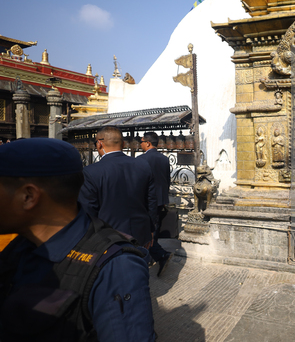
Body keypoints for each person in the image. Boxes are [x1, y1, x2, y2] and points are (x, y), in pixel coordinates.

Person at [0, 138, 155, 341]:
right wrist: (152, 229)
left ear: (29, 196)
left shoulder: (114, 268)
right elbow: (152, 201)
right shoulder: (21, 246)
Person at [78, 126, 158, 247]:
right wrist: (151, 230)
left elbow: (88, 211)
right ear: (123, 144)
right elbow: (151, 202)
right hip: (140, 234)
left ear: (99, 144)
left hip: (108, 238)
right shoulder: (143, 166)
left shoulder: (91, 172)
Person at [139, 131, 173, 276]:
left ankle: (158, 254)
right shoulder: (164, 159)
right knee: (155, 228)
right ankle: (154, 254)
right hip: (160, 200)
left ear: (147, 143)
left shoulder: (141, 160)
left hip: (146, 200)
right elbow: (167, 180)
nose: (140, 144)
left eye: (141, 141)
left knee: (144, 231)